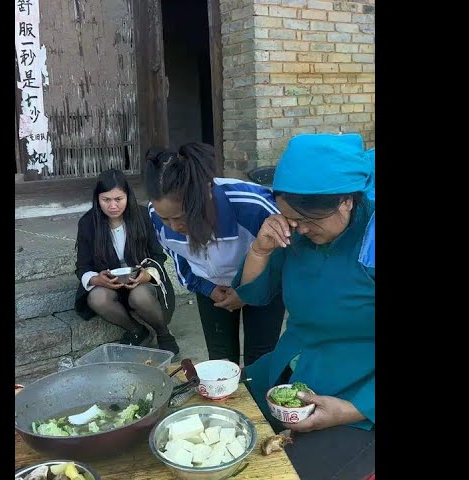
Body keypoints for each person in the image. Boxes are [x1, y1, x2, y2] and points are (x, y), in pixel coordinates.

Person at [232, 133, 375, 480]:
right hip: (293, 368)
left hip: (357, 391)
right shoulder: (295, 231)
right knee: (218, 421)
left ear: (346, 202)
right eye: (291, 218)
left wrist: (354, 409)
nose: (301, 228)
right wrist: (260, 250)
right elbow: (253, 295)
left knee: (281, 472)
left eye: (310, 220)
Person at [145, 142, 286, 367]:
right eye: (165, 219)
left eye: (181, 216)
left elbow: (285, 259)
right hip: (213, 291)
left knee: (260, 360)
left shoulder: (252, 206)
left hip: (264, 286)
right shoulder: (156, 215)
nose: (173, 226)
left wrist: (247, 292)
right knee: (220, 360)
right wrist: (208, 289)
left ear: (206, 195)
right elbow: (180, 260)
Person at [73, 169, 179, 354]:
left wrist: (147, 275)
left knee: (140, 295)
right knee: (97, 298)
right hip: (110, 285)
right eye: (106, 200)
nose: (113, 206)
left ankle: (164, 334)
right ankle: (138, 331)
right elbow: (82, 266)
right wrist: (96, 279)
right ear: (97, 199)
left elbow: (158, 256)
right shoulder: (88, 223)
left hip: (140, 283)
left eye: (118, 199)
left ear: (127, 196)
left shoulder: (143, 216)